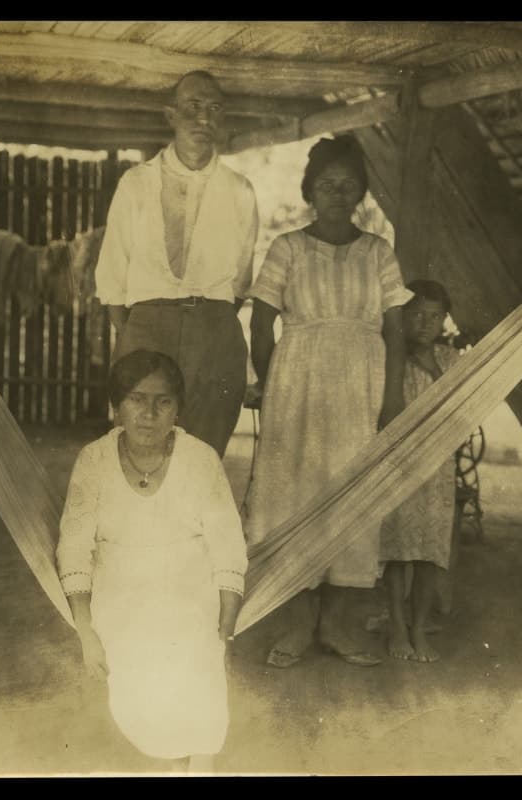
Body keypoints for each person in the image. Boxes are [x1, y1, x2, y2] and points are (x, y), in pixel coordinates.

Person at [245, 136, 412, 669]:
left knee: (351, 496)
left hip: (361, 384)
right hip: (298, 383)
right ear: (310, 191)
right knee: (294, 497)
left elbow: (397, 329)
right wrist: (276, 387)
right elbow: (262, 322)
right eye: (327, 184)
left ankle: (339, 627)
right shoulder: (287, 248)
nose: (338, 194)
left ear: (362, 191)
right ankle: (296, 625)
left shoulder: (379, 251)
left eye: (348, 184)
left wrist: (390, 400)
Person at [56, 350, 248, 773]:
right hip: (121, 598)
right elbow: (73, 549)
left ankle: (199, 765)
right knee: (144, 705)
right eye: (136, 399)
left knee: (198, 678)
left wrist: (226, 621)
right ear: (116, 407)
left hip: (189, 591)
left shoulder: (200, 459)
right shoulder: (94, 460)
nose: (148, 413)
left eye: (163, 401)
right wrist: (87, 633)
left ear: (178, 409)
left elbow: (227, 542)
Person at [95, 70, 259, 458]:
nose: (204, 119)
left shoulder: (240, 191)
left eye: (214, 109)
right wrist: (138, 339)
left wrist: (208, 325)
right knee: (139, 454)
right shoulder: (136, 183)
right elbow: (112, 281)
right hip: (147, 330)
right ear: (171, 115)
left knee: (202, 458)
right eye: (193, 107)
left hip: (215, 335)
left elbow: (239, 282)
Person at [380, 280, 461, 662]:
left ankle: (418, 627)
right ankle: (397, 625)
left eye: (435, 316)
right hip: (398, 466)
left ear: (445, 320)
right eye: (417, 315)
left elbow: (460, 409)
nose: (426, 324)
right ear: (402, 317)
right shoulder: (390, 359)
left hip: (438, 468)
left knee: (429, 551)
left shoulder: (452, 361)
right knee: (398, 549)